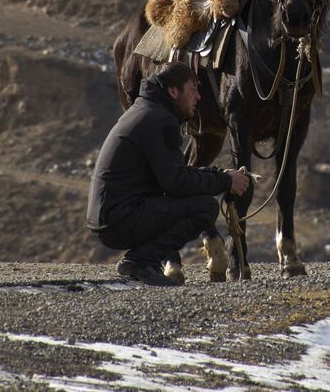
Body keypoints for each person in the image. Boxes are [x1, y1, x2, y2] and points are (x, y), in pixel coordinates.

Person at [86, 62, 249, 286]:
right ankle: (142, 261)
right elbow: (177, 183)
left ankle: (143, 261)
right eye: (193, 89)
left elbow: (175, 174)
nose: (198, 97)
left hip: (113, 215)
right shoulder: (159, 120)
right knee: (205, 207)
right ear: (173, 91)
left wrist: (221, 175)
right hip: (119, 219)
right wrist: (225, 181)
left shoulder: (149, 111)